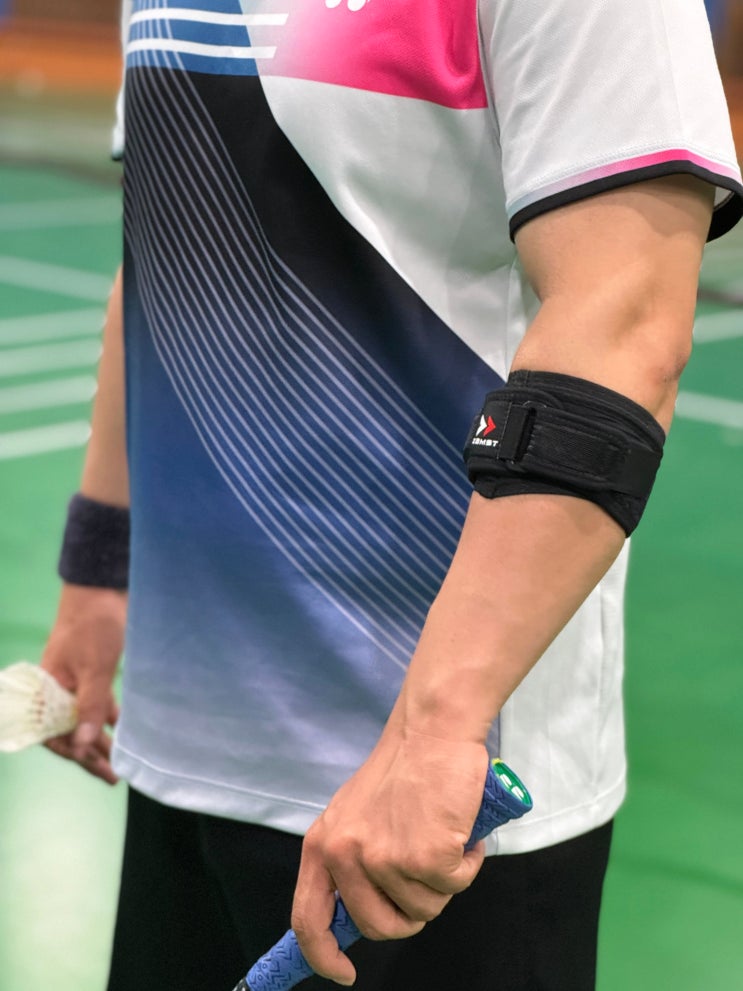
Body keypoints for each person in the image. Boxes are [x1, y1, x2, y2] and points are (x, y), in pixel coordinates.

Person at [42, 1, 742, 989]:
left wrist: (434, 727)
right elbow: (160, 252)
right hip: (181, 740)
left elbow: (620, 324)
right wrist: (97, 570)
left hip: (431, 809)